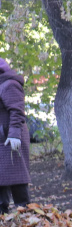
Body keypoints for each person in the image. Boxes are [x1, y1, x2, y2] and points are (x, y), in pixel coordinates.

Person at [0, 58, 29, 213]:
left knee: (17, 178)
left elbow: (17, 111)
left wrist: (14, 135)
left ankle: (25, 217)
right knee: (1, 179)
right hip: (2, 138)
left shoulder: (9, 84)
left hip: (11, 138)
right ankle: (2, 216)